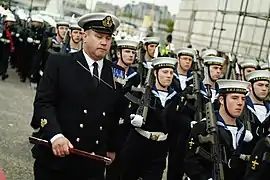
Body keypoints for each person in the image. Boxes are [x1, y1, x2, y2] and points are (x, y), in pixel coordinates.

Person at [31, 12, 124, 180]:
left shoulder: (116, 73)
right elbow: (43, 103)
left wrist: (112, 147)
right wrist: (55, 135)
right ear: (84, 36)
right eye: (98, 36)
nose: (104, 42)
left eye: (108, 38)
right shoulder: (60, 63)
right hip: (57, 157)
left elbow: (115, 114)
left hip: (91, 162)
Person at [120, 57, 178, 180]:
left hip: (160, 148)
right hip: (138, 143)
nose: (169, 76)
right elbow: (125, 116)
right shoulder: (142, 93)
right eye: (165, 72)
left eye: (171, 73)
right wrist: (133, 119)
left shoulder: (175, 97)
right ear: (155, 73)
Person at [185, 79, 252, 180]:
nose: (240, 103)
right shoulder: (204, 127)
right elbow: (191, 162)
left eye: (243, 99)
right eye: (234, 98)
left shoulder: (243, 132)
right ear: (221, 100)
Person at [106, 39, 140, 180]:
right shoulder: (109, 70)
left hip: (126, 128)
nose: (131, 55)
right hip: (108, 123)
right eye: (127, 51)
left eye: (133, 52)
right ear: (119, 53)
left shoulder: (136, 76)